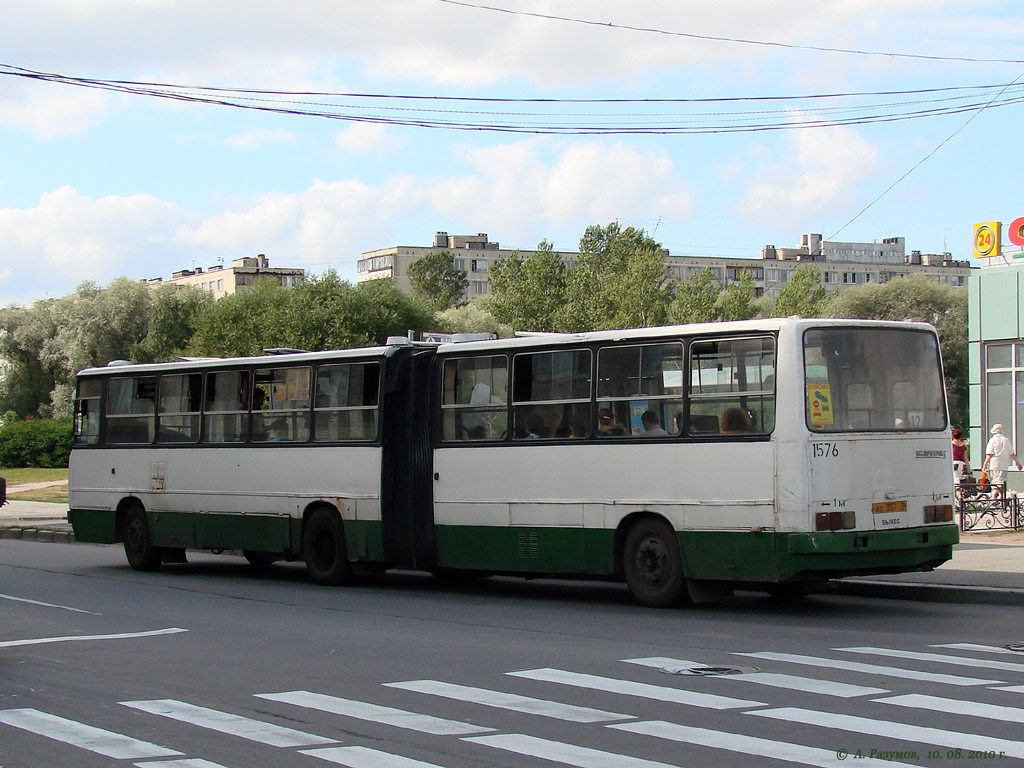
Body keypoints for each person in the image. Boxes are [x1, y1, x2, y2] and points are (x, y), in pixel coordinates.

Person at [981, 423, 1021, 497]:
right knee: (1001, 481)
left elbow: (989, 454)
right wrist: (1018, 463)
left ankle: (995, 496)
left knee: (995, 481)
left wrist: (985, 465)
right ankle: (1000, 496)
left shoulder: (992, 440)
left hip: (994, 464)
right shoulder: (1006, 440)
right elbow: (1012, 454)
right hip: (1004, 465)